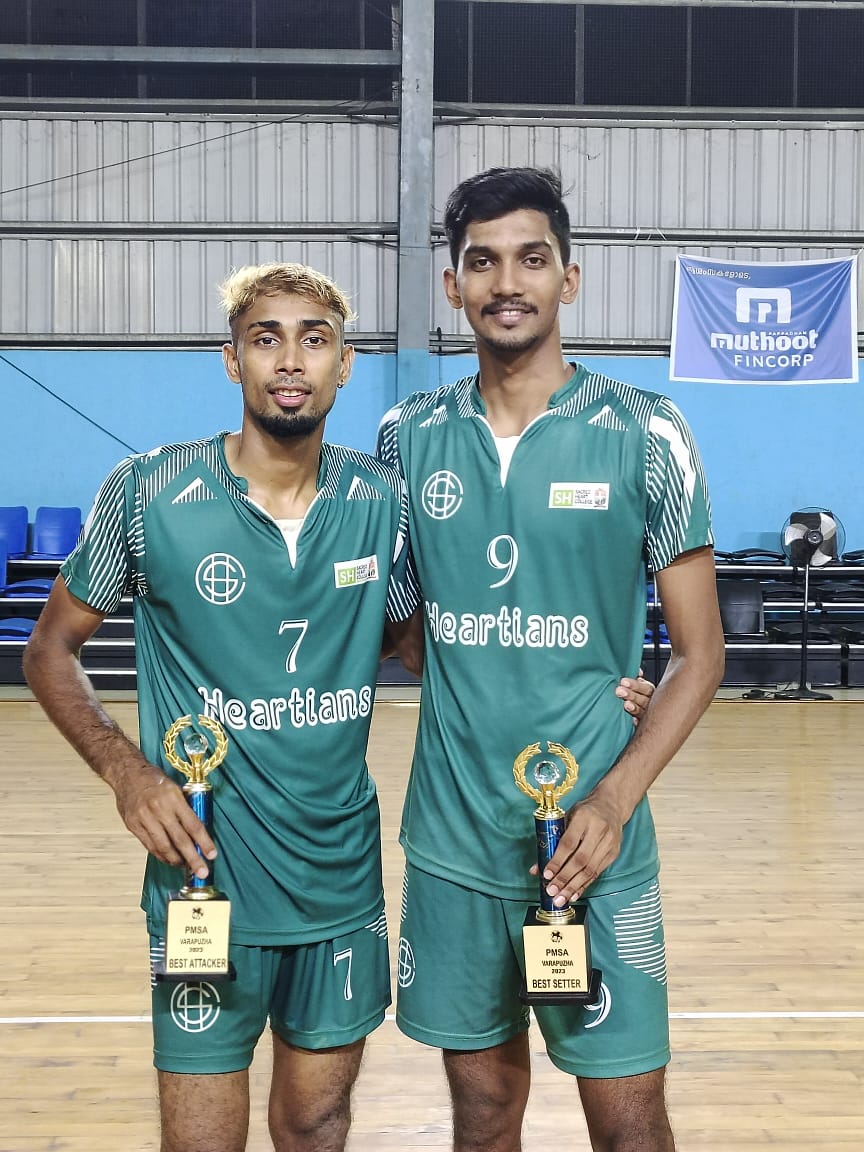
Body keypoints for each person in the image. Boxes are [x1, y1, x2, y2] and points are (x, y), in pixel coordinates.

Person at [22, 262, 421, 1152]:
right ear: (231, 360)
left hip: (338, 880)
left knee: (317, 1124)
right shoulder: (150, 490)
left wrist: (583, 678)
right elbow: (49, 648)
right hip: (204, 878)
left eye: (314, 338)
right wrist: (126, 772)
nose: (291, 359)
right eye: (266, 338)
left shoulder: (380, 504)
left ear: (345, 364)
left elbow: (420, 646)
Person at [376, 167, 725, 1151]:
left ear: (570, 278)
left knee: (628, 1114)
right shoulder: (406, 438)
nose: (506, 281)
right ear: (452, 286)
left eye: (532, 258)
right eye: (481, 262)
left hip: (595, 840)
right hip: (453, 840)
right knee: (483, 1110)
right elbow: (405, 636)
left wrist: (615, 795)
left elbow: (702, 655)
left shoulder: (649, 432)